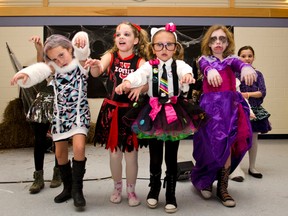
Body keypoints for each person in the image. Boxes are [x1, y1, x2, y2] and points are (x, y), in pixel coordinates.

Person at [115, 22, 207, 213]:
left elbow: (186, 72)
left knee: (171, 157)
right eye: (159, 45)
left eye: (169, 45)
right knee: (155, 156)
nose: (164, 49)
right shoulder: (150, 66)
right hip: (154, 113)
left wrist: (188, 77)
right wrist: (127, 81)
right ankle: (154, 188)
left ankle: (171, 191)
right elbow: (138, 75)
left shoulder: (180, 65)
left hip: (174, 113)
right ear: (153, 48)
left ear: (175, 47)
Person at [11, 31, 91, 209]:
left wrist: (82, 42)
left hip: (78, 114)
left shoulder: (80, 64)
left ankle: (78, 190)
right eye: (54, 59)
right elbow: (40, 70)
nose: (60, 61)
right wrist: (25, 75)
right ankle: (68, 188)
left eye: (62, 55)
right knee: (60, 153)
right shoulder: (55, 68)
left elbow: (84, 52)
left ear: (70, 49)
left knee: (79, 147)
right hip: (60, 115)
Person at [190, 25, 257, 208]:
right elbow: (204, 65)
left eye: (222, 39)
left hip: (230, 110)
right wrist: (209, 70)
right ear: (208, 43)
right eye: (213, 39)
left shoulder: (232, 60)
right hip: (210, 111)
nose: (218, 42)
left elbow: (238, 64)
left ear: (228, 42)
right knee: (208, 148)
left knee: (227, 146)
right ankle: (204, 181)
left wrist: (244, 66)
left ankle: (222, 187)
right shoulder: (204, 59)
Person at [86, 21, 149, 207]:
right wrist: (95, 65)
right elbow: (97, 72)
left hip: (131, 112)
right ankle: (117, 187)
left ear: (136, 40)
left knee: (131, 155)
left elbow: (147, 82)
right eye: (118, 34)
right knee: (114, 154)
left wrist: (142, 87)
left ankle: (131, 190)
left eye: (127, 34)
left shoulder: (140, 61)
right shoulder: (110, 56)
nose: (121, 37)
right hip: (112, 111)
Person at [230, 46, 272, 181]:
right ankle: (236, 168)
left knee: (254, 139)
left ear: (253, 57)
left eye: (249, 56)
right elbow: (233, 91)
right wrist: (242, 96)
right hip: (240, 110)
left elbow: (262, 92)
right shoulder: (235, 73)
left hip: (255, 109)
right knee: (238, 138)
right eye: (243, 56)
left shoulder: (258, 74)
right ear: (239, 58)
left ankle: (252, 167)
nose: (247, 58)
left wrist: (246, 94)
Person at [26, 35, 61, 194]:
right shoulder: (45, 64)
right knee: (39, 140)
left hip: (60, 104)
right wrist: (39, 47)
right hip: (41, 104)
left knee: (59, 139)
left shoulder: (66, 64)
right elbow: (41, 64)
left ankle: (58, 172)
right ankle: (38, 177)